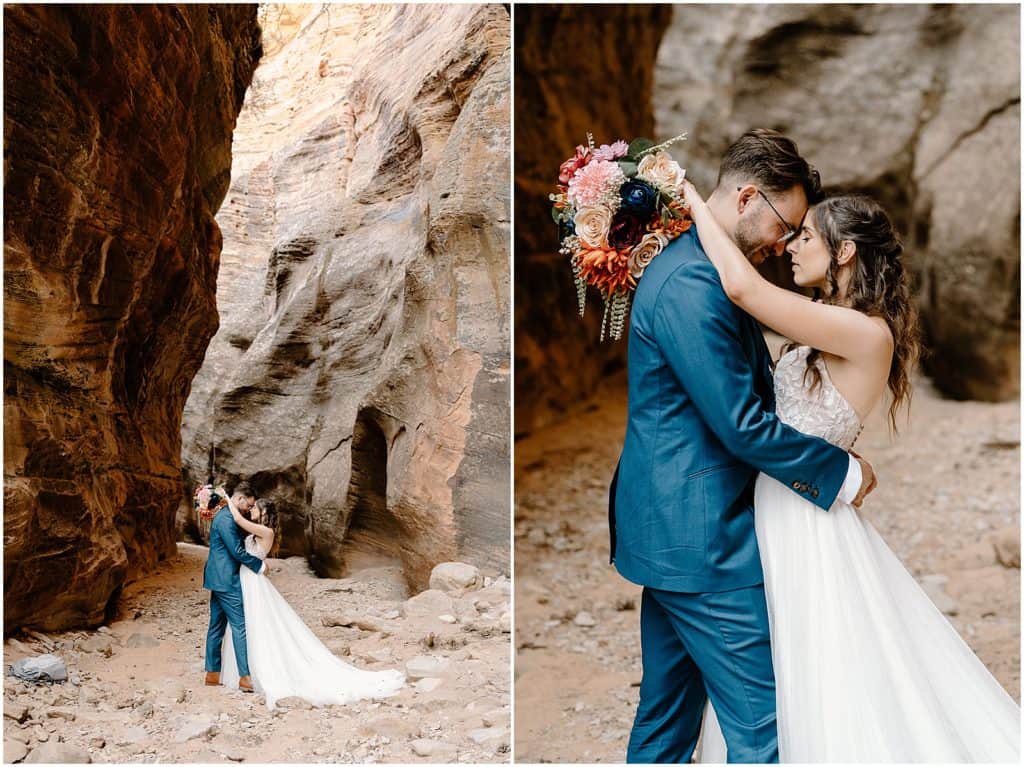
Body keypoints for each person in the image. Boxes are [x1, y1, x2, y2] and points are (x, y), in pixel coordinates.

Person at [682, 182, 1020, 762]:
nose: (791, 245)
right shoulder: (823, 319)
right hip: (781, 503)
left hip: (802, 519)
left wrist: (687, 201)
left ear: (843, 252)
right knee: (777, 661)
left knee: (813, 661)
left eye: (806, 235)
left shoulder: (866, 331)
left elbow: (742, 288)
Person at [609, 128, 877, 763]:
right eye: (786, 225)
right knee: (763, 727)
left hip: (678, 531)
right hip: (704, 542)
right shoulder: (692, 287)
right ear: (749, 197)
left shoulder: (700, 268)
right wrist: (839, 473)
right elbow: (741, 425)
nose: (786, 243)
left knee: (667, 721)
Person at [220, 496, 406, 709]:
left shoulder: (266, 533)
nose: (251, 509)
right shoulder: (253, 533)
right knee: (247, 625)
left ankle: (262, 671)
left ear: (264, 514)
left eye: (255, 508)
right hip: (245, 581)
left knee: (257, 624)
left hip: (254, 583)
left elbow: (238, 521)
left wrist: (225, 499)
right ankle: (246, 670)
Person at [203, 481, 266, 693]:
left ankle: (212, 674)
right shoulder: (228, 519)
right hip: (227, 580)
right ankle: (245, 677)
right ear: (239, 499)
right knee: (240, 626)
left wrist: (252, 517)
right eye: (248, 505)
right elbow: (237, 551)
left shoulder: (225, 515)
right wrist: (259, 566)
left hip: (216, 578)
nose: (249, 509)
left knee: (216, 627)